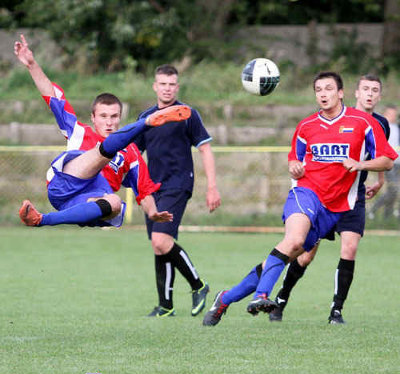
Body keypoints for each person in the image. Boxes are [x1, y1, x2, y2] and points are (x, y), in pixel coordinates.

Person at [203, 71, 397, 326]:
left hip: (335, 206)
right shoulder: (306, 126)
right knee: (293, 240)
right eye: (318, 90)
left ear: (340, 93)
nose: (323, 94)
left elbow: (387, 161)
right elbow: (295, 159)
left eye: (329, 89)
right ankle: (262, 295)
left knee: (290, 253)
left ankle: (226, 298)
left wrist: (361, 165)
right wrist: (294, 166)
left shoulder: (363, 122)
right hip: (306, 193)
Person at [14, 35, 190, 228]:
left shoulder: (131, 154)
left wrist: (153, 213)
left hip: (92, 204)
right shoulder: (78, 131)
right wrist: (31, 64)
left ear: (120, 117)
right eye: (103, 116)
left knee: (115, 202)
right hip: (64, 186)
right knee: (103, 152)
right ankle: (145, 123)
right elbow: (52, 96)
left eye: (114, 117)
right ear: (93, 117)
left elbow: (144, 190)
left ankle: (41, 220)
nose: (109, 122)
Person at [268, 74, 391, 324]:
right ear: (353, 93)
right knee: (305, 254)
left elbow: (382, 156)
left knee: (350, 247)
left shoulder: (378, 124)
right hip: (323, 197)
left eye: (374, 90)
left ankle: (336, 310)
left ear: (379, 96)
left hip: (353, 196)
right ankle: (281, 299)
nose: (369, 94)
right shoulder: (337, 117)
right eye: (365, 89)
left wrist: (379, 181)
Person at [135, 64, 221, 317]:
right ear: (155, 86)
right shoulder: (146, 118)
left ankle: (199, 285)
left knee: (162, 241)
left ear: (177, 87)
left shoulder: (187, 114)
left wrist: (212, 187)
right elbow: (134, 154)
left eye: (172, 84)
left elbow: (205, 149)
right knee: (159, 245)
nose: (167, 88)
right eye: (163, 83)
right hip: (152, 188)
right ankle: (166, 305)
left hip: (178, 184)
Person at [369, 105, 400, 219]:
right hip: (388, 162)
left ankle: (388, 216)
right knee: (393, 189)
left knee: (394, 190)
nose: (392, 117)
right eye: (390, 114)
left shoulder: (397, 127)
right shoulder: (382, 127)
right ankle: (373, 210)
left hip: (398, 163)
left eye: (394, 114)